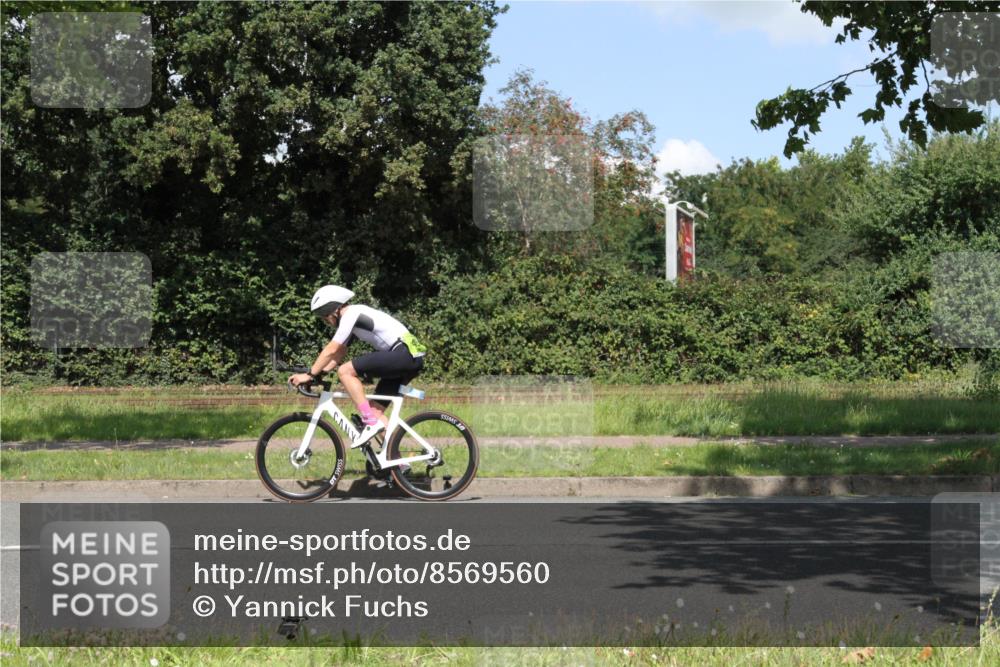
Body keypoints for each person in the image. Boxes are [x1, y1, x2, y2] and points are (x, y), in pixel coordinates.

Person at [288, 285, 426, 443]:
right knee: (376, 414)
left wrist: (309, 375)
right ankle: (397, 463)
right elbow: (339, 353)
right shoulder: (353, 319)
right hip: (407, 356)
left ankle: (368, 421)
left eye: (324, 315)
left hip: (403, 353)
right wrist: (319, 374)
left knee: (345, 371)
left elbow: (331, 349)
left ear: (335, 309)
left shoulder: (352, 313)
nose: (325, 320)